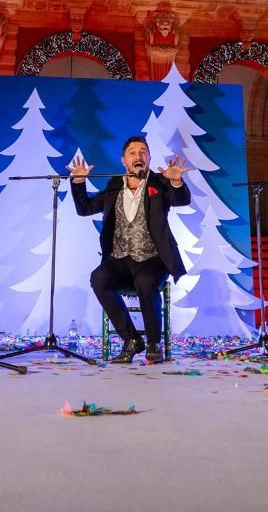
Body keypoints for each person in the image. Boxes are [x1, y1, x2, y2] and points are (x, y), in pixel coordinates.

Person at [68, 136, 190, 364]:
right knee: (99, 278)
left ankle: (153, 344)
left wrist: (176, 182)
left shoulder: (159, 183)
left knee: (146, 282)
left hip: (153, 258)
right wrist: (78, 183)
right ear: (124, 160)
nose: (138, 156)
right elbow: (84, 209)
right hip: (120, 258)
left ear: (149, 158)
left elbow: (180, 200)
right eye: (132, 153)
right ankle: (131, 339)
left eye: (143, 152)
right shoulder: (114, 185)